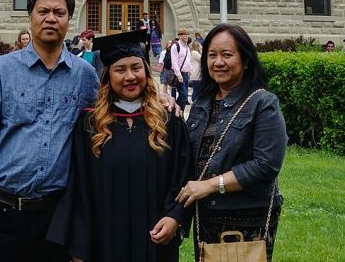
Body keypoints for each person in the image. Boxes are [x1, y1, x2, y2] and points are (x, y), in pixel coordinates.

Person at [0, 0, 100, 261]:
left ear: (68, 19)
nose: (51, 18)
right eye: (43, 11)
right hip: (3, 213)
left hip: (58, 217)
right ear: (30, 17)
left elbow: (110, 118)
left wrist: (159, 97)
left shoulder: (85, 76)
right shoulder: (2, 71)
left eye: (59, 12)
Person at [47, 30, 193, 262]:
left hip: (154, 240)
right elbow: (79, 187)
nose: (130, 77)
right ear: (107, 76)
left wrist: (175, 216)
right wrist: (80, 246)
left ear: (146, 71)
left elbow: (182, 175)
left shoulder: (168, 121)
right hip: (103, 242)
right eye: (120, 70)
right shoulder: (90, 123)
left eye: (136, 68)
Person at [178, 24, 288, 260]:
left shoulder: (262, 103)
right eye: (212, 55)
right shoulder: (202, 102)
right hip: (206, 214)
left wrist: (208, 185)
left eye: (227, 55)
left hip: (246, 216)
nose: (218, 62)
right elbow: (186, 151)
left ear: (245, 60)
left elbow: (266, 165)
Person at [169, 30, 192, 109]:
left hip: (186, 74)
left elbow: (188, 59)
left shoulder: (186, 46)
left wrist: (190, 69)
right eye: (185, 34)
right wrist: (178, 75)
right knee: (183, 94)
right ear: (180, 36)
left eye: (187, 34)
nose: (186, 36)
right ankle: (177, 110)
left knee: (184, 96)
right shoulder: (176, 46)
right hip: (179, 73)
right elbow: (174, 62)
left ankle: (180, 111)